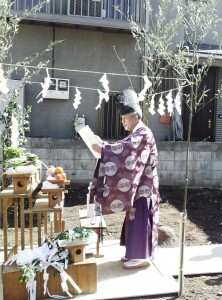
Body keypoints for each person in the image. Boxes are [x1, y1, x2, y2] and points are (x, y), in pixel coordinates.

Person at [89, 88, 160, 269]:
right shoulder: (138, 133)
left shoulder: (143, 133)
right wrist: (104, 145)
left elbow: (127, 149)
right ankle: (133, 253)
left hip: (145, 186)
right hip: (140, 184)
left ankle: (141, 256)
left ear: (135, 117)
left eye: (124, 119)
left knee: (139, 218)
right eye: (122, 120)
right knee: (133, 217)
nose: (122, 123)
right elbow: (125, 147)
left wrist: (104, 148)